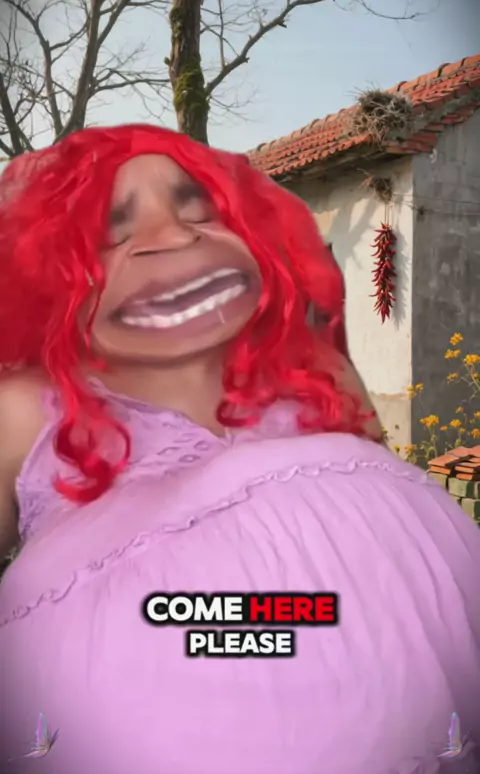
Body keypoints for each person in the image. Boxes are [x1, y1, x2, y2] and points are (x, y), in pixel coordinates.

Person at [0, 124, 478, 774]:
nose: (173, 238)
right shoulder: (25, 410)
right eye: (110, 233)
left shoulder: (315, 373)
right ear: (50, 276)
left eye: (202, 210)